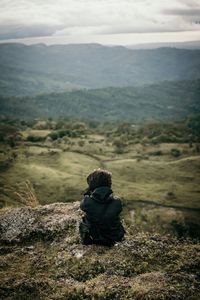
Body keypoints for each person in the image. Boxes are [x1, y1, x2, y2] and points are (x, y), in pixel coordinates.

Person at [79, 168, 125, 246]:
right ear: (109, 184)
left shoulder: (87, 202)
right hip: (114, 239)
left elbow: (83, 205)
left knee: (84, 219)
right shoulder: (117, 202)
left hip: (92, 239)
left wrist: (87, 193)